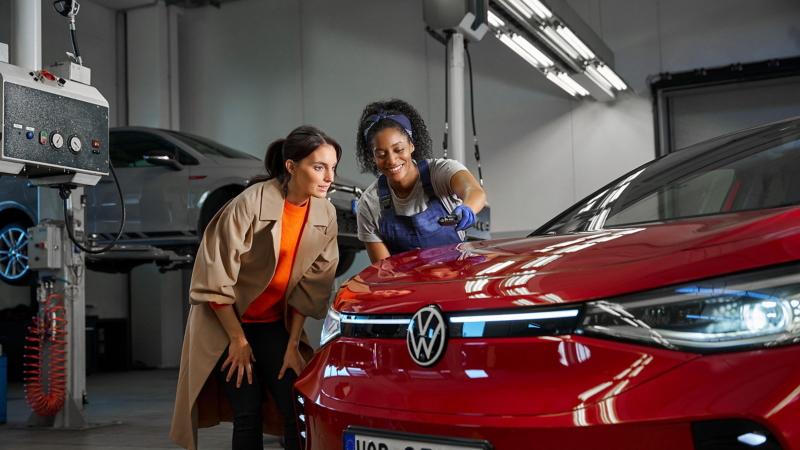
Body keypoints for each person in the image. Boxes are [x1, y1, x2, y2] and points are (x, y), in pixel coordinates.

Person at [170, 126, 341, 450]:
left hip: (272, 325)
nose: (329, 176)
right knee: (247, 411)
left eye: (333, 167)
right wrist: (237, 340)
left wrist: (292, 343)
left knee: (296, 406)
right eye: (319, 167)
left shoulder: (325, 213)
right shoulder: (249, 204)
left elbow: (313, 285)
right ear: (291, 166)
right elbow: (214, 276)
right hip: (225, 323)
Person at [355, 99, 486, 263]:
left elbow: (474, 191)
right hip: (406, 286)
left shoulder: (441, 173)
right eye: (381, 154)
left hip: (456, 278)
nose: (392, 160)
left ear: (411, 145)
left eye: (399, 149)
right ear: (373, 157)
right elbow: (384, 270)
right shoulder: (369, 204)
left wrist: (468, 207)